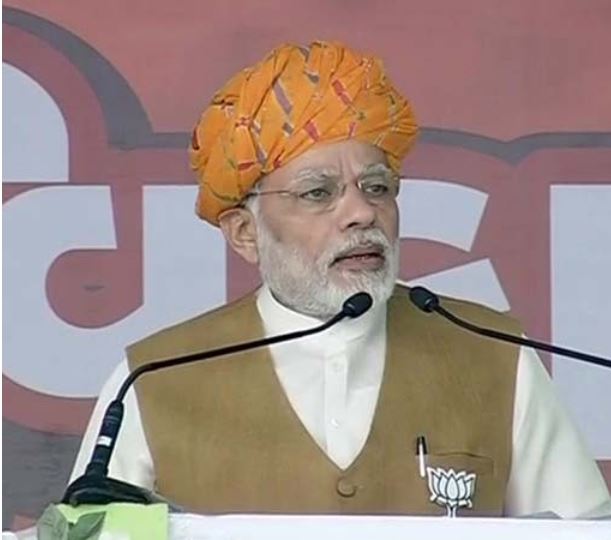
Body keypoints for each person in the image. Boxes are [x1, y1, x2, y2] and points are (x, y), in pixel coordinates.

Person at [71, 40, 611, 518]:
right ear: (244, 232)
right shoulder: (152, 379)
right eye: (318, 193)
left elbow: (584, 533)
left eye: (377, 188)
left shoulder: (496, 356)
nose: (361, 213)